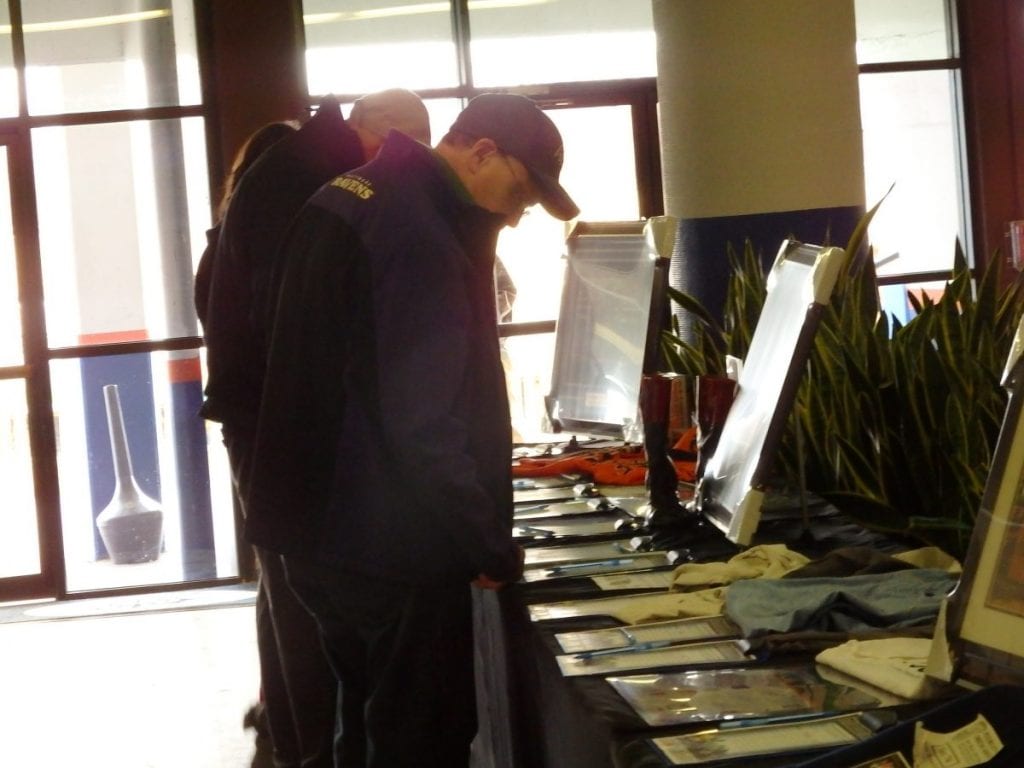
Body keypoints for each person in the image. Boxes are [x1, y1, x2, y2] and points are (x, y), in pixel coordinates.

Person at [244, 93, 580, 768]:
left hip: (316, 532)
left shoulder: (354, 192)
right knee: (418, 739)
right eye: (517, 193)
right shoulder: (419, 234)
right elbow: (421, 419)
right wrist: (486, 542)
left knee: (362, 722)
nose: (514, 218)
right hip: (386, 541)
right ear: (481, 151)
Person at [196, 89, 431, 768]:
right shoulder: (315, 182)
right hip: (279, 423)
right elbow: (303, 321)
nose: (410, 152)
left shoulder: (300, 172)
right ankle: (312, 752)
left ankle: (295, 742)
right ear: (362, 127)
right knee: (306, 604)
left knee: (286, 591)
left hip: (261, 419)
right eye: (402, 134)